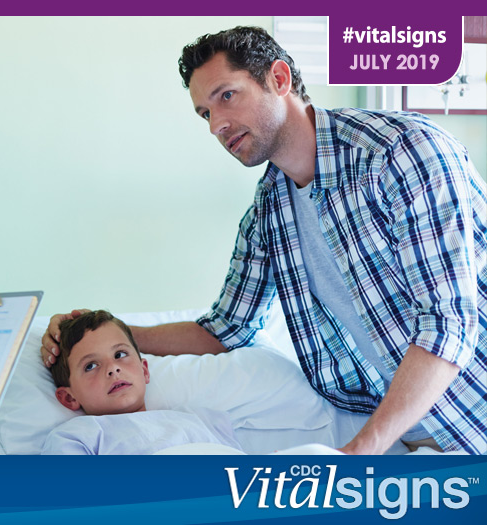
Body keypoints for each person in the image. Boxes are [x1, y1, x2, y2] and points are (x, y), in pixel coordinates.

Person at [41, 26, 487, 454]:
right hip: (418, 442)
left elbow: (448, 324)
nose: (216, 124)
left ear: (278, 79)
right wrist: (104, 332)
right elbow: (224, 331)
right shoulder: (269, 212)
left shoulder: (402, 154)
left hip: (472, 419)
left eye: (226, 96)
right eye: (205, 113)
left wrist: (360, 451)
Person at [43, 310, 240, 454]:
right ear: (69, 397)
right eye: (91, 366)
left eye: (120, 354)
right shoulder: (78, 437)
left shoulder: (200, 420)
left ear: (144, 371)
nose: (113, 368)